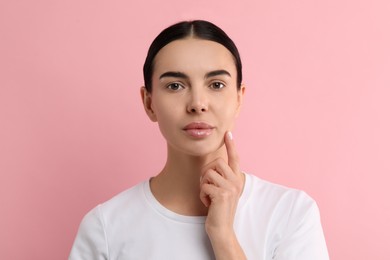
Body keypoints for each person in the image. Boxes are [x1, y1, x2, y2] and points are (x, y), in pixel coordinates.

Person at [69, 20, 329, 260]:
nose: (197, 104)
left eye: (216, 85)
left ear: (239, 98)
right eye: (175, 86)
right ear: (149, 103)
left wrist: (223, 236)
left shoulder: (290, 213)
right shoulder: (105, 227)